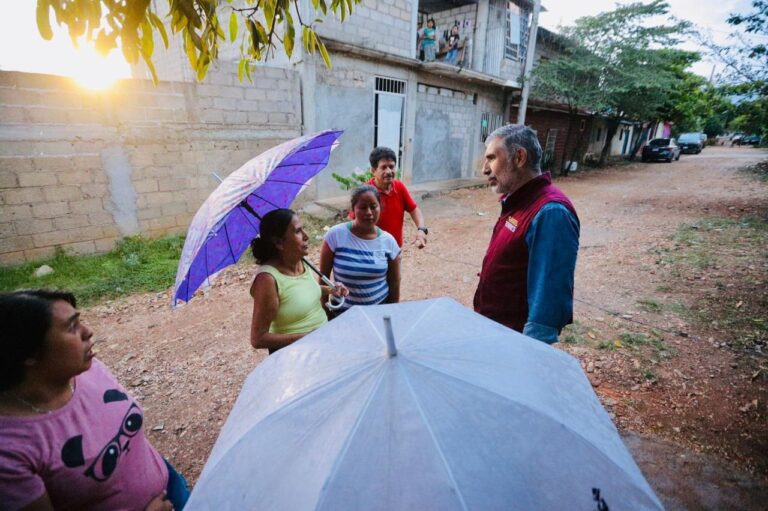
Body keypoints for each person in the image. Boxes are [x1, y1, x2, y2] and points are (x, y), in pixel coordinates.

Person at [0, 289, 189, 511]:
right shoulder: (9, 450)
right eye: (72, 327)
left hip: (169, 486)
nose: (88, 332)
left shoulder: (87, 369)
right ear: (28, 352)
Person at [473, 124, 580, 344]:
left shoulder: (550, 212)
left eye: (492, 158)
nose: (485, 169)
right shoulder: (517, 201)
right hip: (494, 332)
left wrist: (530, 355)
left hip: (513, 342)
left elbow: (548, 302)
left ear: (519, 157)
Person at [250, 208, 348, 354]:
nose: (306, 236)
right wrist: (307, 337)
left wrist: (330, 289)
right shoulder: (267, 280)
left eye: (304, 229)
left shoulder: (301, 261)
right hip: (295, 356)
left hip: (322, 345)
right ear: (279, 242)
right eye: (298, 231)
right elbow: (258, 339)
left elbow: (299, 293)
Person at [320, 185, 401, 312]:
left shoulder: (388, 241)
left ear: (380, 208)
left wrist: (390, 312)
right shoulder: (335, 235)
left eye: (374, 207)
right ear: (353, 209)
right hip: (343, 314)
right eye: (363, 207)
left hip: (377, 313)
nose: (369, 212)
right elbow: (323, 277)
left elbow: (394, 284)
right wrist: (325, 311)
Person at [360, 146, 428, 249]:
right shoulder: (365, 193)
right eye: (383, 167)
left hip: (395, 250)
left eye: (391, 167)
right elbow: (354, 223)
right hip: (372, 251)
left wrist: (421, 230)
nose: (388, 171)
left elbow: (414, 210)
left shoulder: (399, 187)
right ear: (373, 170)